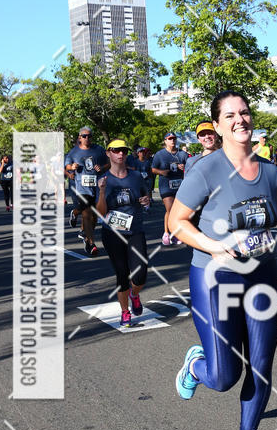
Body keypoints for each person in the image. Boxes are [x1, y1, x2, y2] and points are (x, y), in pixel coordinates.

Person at [169, 90, 277, 430]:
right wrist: (215, 247)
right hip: (214, 278)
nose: (240, 120)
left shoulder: (271, 172)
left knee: (260, 364)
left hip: (262, 276)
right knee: (224, 376)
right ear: (218, 125)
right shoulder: (205, 170)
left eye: (245, 113)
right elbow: (176, 222)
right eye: (230, 116)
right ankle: (196, 366)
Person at [95, 139, 150, 328]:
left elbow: (145, 197)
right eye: (116, 151)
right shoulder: (103, 180)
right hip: (112, 233)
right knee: (122, 274)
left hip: (135, 230)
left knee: (140, 275)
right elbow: (101, 213)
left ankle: (135, 294)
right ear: (108, 153)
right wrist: (102, 192)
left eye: (124, 151)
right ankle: (125, 311)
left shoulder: (135, 177)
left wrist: (145, 200)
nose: (121, 154)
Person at [65, 127, 109, 256]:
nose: (87, 138)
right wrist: (72, 167)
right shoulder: (74, 152)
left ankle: (76, 215)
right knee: (87, 214)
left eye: (89, 136)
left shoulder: (99, 150)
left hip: (97, 186)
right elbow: (67, 166)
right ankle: (91, 243)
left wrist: (102, 168)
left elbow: (109, 164)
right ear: (79, 137)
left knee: (95, 216)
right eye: (84, 136)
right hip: (82, 187)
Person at [151, 132, 189, 245]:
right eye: (169, 139)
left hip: (180, 185)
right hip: (165, 185)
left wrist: (184, 167)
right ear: (165, 141)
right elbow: (152, 169)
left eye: (174, 139)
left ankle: (176, 233)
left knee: (179, 210)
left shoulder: (183, 154)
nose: (172, 141)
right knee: (170, 209)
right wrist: (161, 172)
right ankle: (167, 233)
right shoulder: (160, 154)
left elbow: (191, 168)